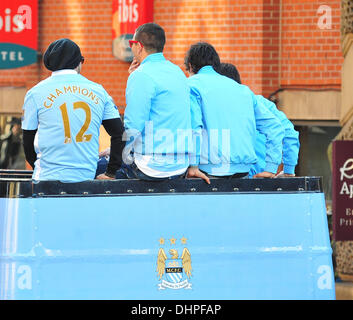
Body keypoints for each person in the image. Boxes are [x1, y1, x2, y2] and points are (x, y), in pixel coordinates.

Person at [22, 38, 125, 182]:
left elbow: (27, 141)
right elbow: (119, 134)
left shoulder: (35, 93)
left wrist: (37, 167)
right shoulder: (99, 91)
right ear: (79, 62)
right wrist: (111, 172)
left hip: (46, 179)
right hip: (85, 178)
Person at [184, 42, 284, 182]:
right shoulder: (243, 90)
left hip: (207, 172)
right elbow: (274, 126)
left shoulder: (191, 85)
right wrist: (271, 168)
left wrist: (193, 165)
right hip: (243, 172)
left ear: (190, 66)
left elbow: (194, 126)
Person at [118, 23, 191, 181]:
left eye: (132, 43)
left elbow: (133, 126)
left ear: (139, 46)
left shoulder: (141, 75)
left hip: (152, 167)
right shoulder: (177, 72)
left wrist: (114, 151)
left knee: (102, 166)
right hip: (181, 165)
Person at [218, 62, 300, 177]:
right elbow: (290, 134)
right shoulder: (263, 103)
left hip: (232, 177)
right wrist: (288, 171)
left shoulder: (218, 108)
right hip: (264, 179)